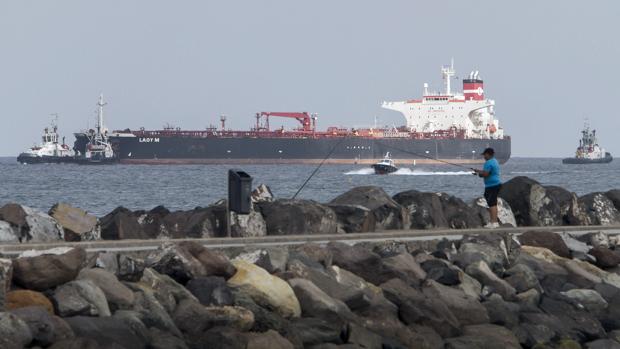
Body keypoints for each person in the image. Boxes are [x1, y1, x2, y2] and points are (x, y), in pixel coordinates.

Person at [472, 147, 502, 228]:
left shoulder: (488, 163)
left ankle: (494, 222)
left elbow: (486, 174)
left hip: (492, 186)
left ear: (488, 154)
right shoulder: (495, 161)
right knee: (492, 203)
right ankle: (493, 222)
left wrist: (479, 174)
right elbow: (487, 172)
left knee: (492, 204)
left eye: (485, 155)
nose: (484, 157)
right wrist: (478, 171)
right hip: (496, 184)